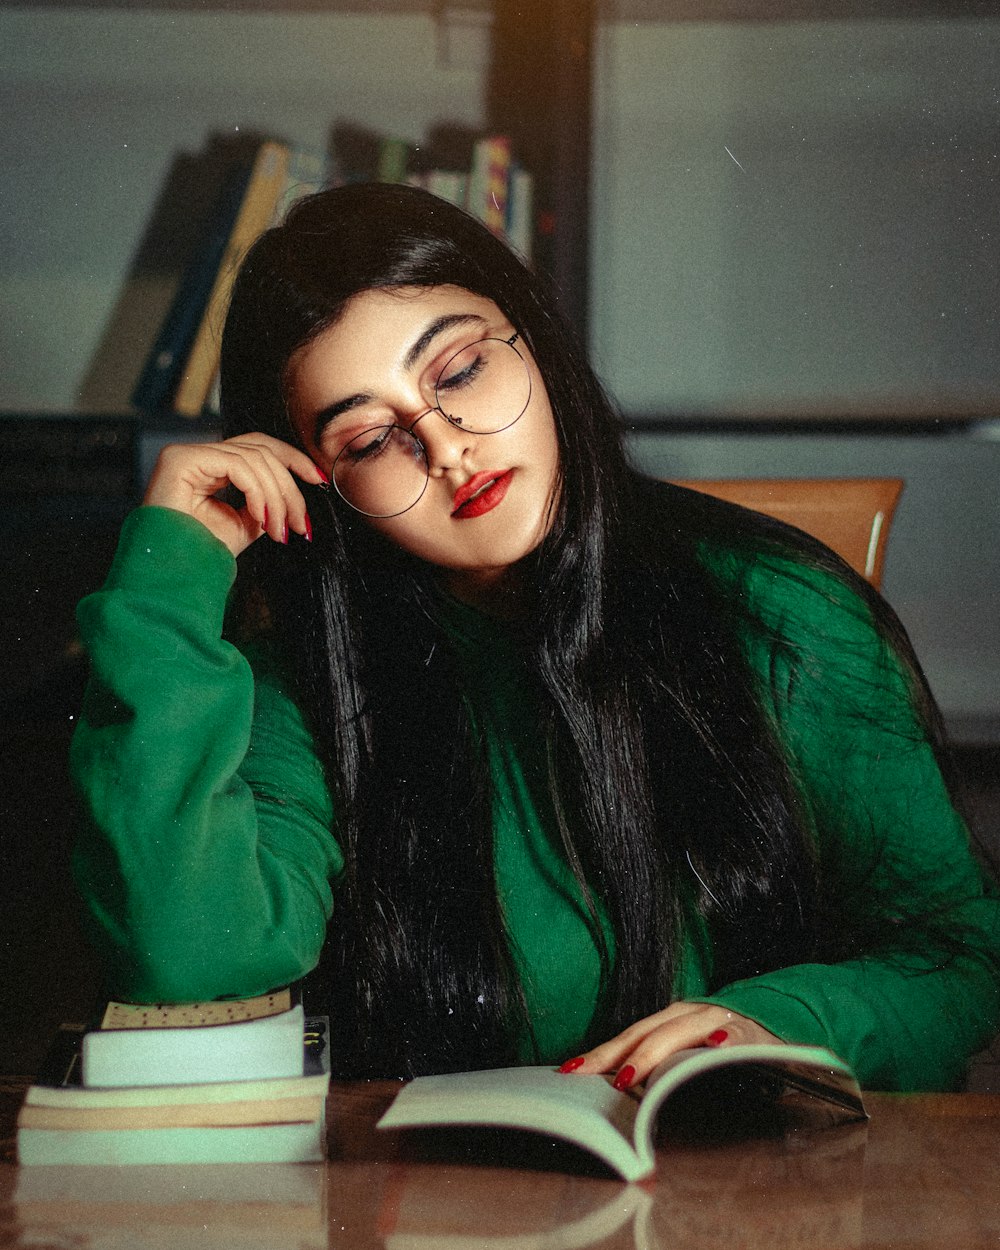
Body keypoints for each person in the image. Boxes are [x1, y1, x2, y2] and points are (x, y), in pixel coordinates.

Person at [71, 182, 999, 1090]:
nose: (447, 448)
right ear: (322, 487)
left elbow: (957, 956)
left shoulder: (780, 608)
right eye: (367, 441)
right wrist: (168, 582)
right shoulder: (312, 682)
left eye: (461, 371)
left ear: (537, 344)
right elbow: (187, 958)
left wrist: (779, 1027)